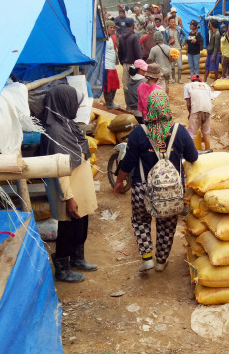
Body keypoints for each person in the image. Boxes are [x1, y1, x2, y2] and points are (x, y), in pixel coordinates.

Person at [113, 90, 198, 272]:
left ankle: (147, 258)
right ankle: (161, 261)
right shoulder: (179, 131)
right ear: (166, 107)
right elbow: (193, 156)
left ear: (149, 108)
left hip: (141, 188)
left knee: (141, 221)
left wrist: (120, 181)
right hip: (172, 191)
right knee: (167, 225)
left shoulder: (138, 133)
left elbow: (128, 162)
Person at [39, 85, 98, 283]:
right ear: (63, 103)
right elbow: (60, 171)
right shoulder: (55, 131)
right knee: (68, 230)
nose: (76, 105)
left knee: (81, 226)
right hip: (68, 190)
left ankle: (77, 259)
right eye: (73, 101)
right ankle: (62, 267)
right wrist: (69, 198)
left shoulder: (67, 123)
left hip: (80, 187)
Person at [183, 74, 213, 149]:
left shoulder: (188, 85)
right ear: (200, 81)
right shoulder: (206, 86)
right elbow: (209, 99)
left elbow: (189, 103)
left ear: (191, 80)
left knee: (192, 134)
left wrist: (190, 114)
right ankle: (208, 150)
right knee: (206, 132)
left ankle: (191, 153)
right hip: (208, 109)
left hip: (196, 110)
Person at [118, 18, 143, 99]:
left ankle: (128, 105)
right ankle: (134, 104)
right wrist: (139, 64)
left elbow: (120, 53)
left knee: (126, 85)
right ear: (133, 25)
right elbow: (138, 53)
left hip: (125, 64)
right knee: (135, 83)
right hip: (134, 65)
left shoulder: (121, 37)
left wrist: (123, 62)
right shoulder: (134, 37)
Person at [102, 20, 120, 109]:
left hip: (112, 65)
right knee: (108, 86)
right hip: (107, 65)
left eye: (113, 27)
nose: (112, 29)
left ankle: (111, 101)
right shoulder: (103, 38)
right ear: (106, 28)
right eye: (110, 27)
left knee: (114, 85)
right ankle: (109, 103)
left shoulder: (110, 38)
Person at [166, 17, 186, 84]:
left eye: (174, 22)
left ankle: (179, 79)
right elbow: (165, 40)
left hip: (178, 49)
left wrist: (182, 43)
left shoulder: (179, 29)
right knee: (172, 65)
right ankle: (174, 78)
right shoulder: (166, 30)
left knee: (180, 65)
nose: (173, 23)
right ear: (169, 23)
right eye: (172, 22)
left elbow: (184, 35)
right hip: (170, 49)